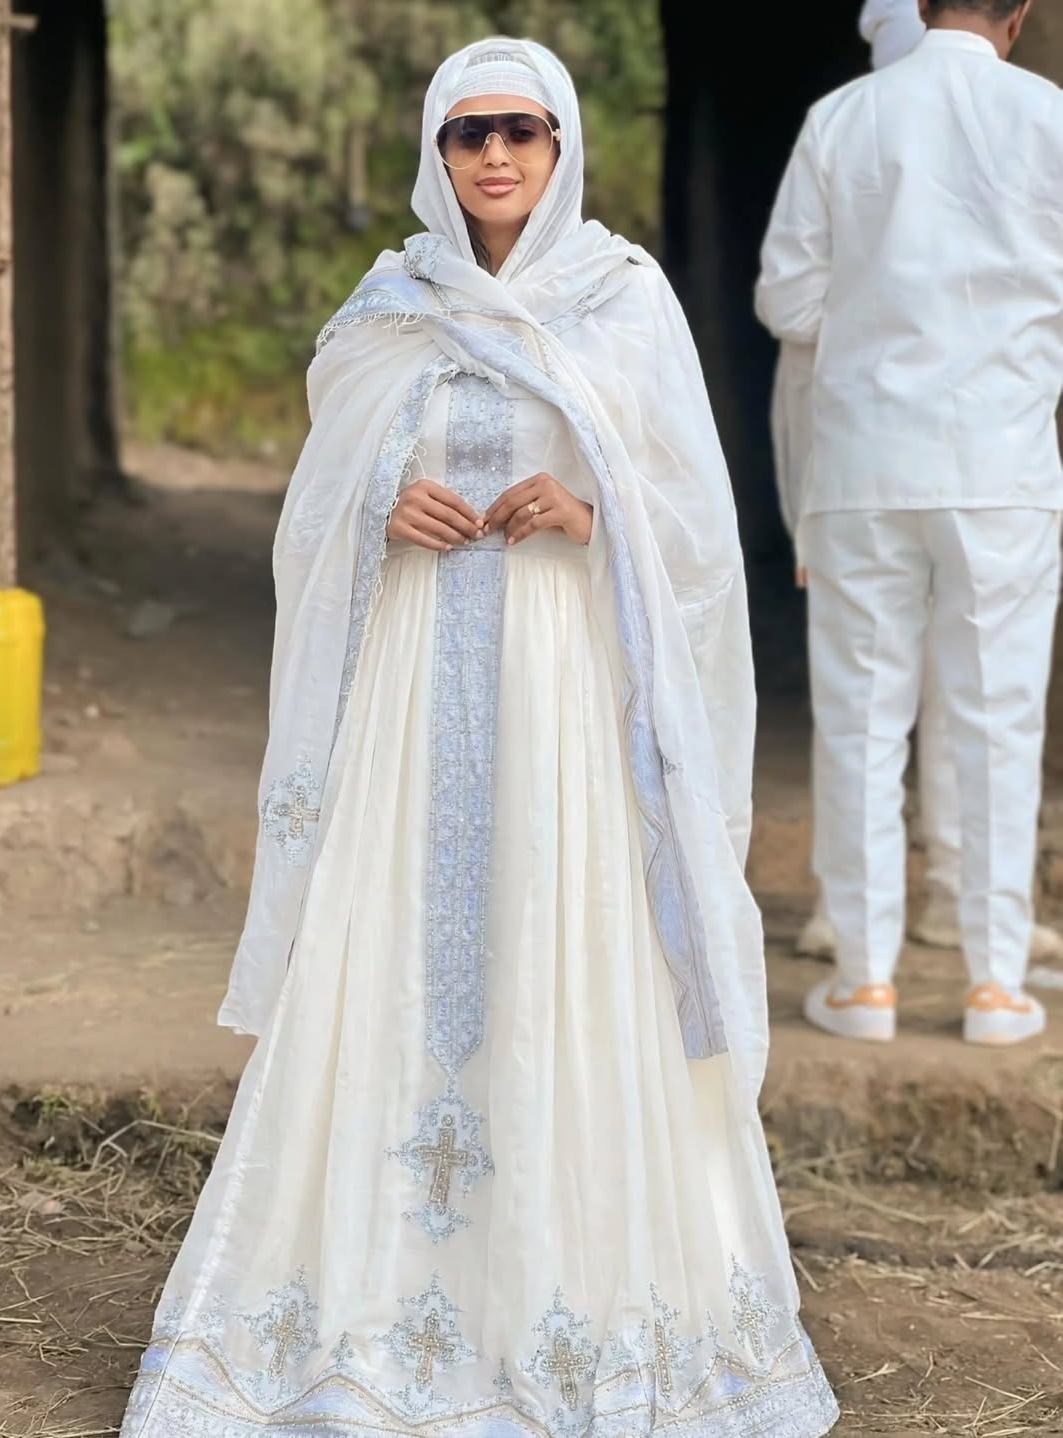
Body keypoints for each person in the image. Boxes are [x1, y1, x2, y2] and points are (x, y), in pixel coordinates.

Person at [119, 38, 839, 1438]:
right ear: (435, 156)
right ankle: (365, 1314)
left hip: (565, 684)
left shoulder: (623, 302)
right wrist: (383, 498)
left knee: (563, 942)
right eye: (466, 135)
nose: (494, 155)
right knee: (389, 952)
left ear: (562, 147)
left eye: (519, 130)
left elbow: (693, 520)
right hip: (408, 694)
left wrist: (591, 513)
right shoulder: (388, 304)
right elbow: (318, 491)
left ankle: (574, 1316)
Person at [756, 0, 1063, 1047]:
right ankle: (993, 986)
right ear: (1020, 15)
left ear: (916, 7)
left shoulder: (844, 118)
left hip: (864, 460)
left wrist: (880, 308)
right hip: (1003, 466)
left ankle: (866, 981)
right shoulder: (1050, 119)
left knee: (861, 720)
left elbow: (786, 300)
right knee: (996, 724)